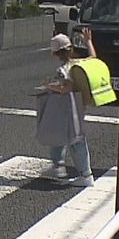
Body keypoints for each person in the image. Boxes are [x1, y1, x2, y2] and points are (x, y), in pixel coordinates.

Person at [39, 30, 96, 187]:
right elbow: (93, 59)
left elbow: (66, 88)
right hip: (79, 106)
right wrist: (88, 41)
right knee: (60, 133)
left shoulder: (63, 70)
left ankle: (86, 175)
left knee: (75, 139)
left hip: (69, 109)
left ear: (56, 54)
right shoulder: (78, 63)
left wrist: (48, 85)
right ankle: (58, 166)